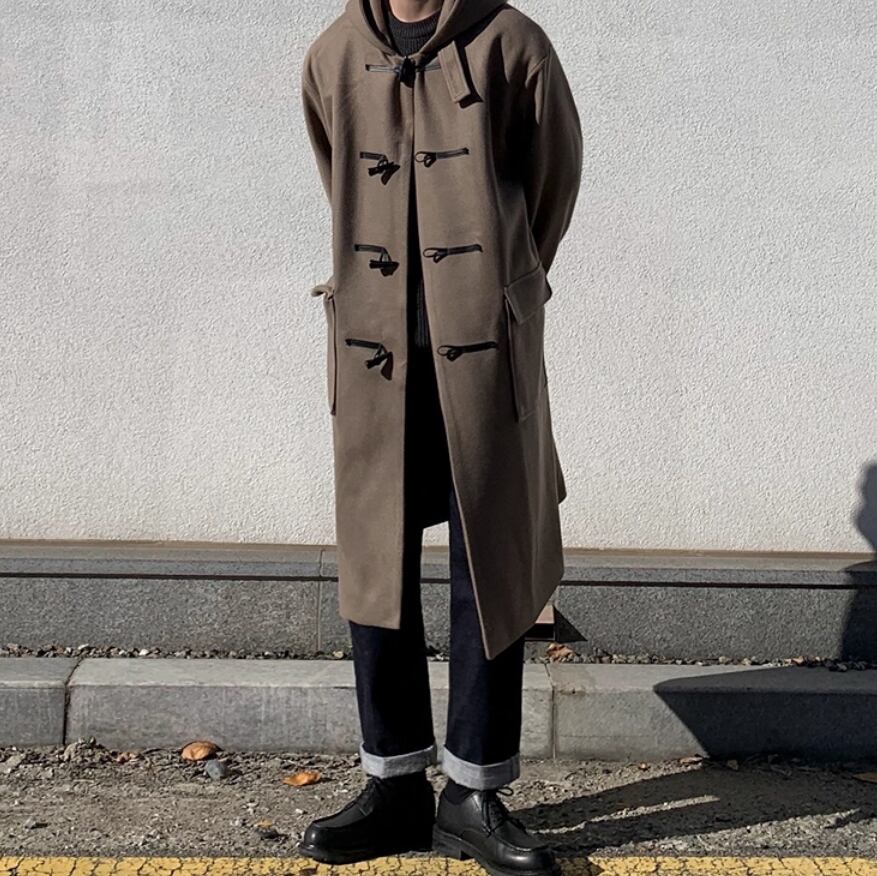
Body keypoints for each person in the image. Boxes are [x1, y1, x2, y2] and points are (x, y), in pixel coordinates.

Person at [299, 0, 582, 872]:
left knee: (488, 567)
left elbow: (550, 187)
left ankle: (472, 793)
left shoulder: (513, 44)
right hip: (374, 353)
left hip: (484, 348)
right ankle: (392, 787)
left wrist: (495, 285)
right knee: (375, 569)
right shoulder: (335, 53)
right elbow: (339, 175)